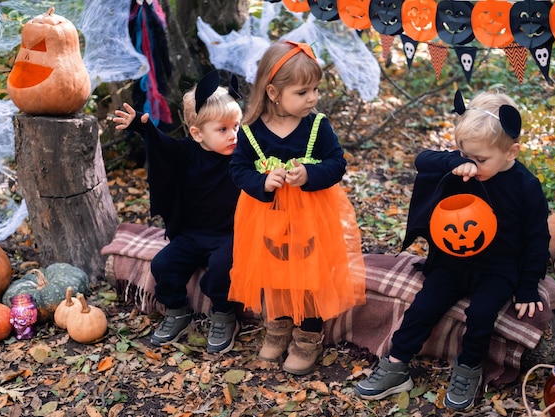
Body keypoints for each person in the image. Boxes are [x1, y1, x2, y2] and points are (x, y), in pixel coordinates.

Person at [355, 90, 551, 411]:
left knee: (482, 313)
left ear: (511, 151)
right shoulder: (461, 167)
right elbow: (423, 160)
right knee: (423, 306)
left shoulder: (525, 186)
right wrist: (456, 160)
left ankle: (468, 368)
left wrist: (528, 286)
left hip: (499, 268)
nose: (470, 164)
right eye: (464, 153)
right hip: (452, 262)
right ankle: (395, 363)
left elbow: (536, 238)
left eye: (480, 160)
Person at [228, 40, 366, 375]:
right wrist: (262, 183)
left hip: (311, 217)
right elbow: (238, 170)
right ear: (273, 92)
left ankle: (307, 336)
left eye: (315, 89)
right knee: (273, 275)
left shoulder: (317, 126)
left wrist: (310, 174)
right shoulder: (250, 131)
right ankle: (277, 328)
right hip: (267, 218)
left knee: (309, 276)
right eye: (303, 92)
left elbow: (337, 163)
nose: (313, 98)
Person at [112, 70, 243, 354]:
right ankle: (177, 310)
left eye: (236, 126)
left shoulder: (243, 152)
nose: (233, 135)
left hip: (231, 235)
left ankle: (223, 313)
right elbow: (163, 147)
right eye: (223, 129)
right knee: (163, 265)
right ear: (197, 134)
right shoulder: (187, 151)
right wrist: (144, 127)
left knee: (222, 270)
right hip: (194, 234)